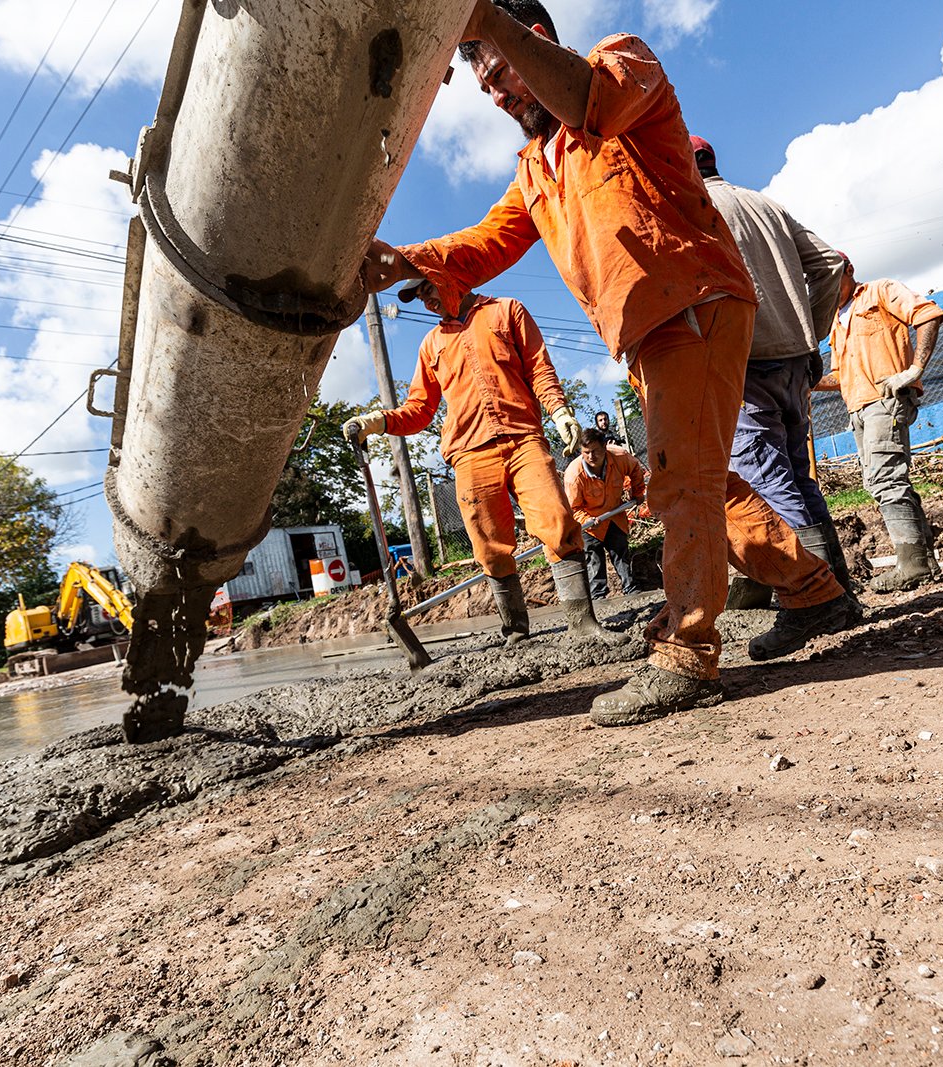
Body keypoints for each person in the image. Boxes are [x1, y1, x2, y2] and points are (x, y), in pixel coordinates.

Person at [360, 0, 855, 727]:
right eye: (486, 88)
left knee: (686, 480)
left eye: (501, 72)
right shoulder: (537, 166)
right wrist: (405, 258)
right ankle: (813, 591)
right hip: (650, 335)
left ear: (535, 39)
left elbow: (595, 100)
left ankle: (686, 653)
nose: (499, 96)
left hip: (694, 303)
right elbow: (487, 243)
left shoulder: (624, 64)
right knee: (699, 480)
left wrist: (485, 21)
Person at [344, 282, 615, 646]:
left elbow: (539, 368)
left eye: (428, 290)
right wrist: (377, 421)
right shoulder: (431, 346)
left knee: (557, 519)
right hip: (470, 453)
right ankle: (516, 631)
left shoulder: (506, 310)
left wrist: (560, 411)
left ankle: (583, 624)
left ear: (452, 276)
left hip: (523, 438)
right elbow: (420, 410)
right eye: (419, 298)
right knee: (488, 545)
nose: (426, 301)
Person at [691, 135, 855, 596]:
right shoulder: (766, 205)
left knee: (766, 483)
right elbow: (830, 264)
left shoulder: (694, 210)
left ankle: (816, 599)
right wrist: (811, 331)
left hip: (745, 365)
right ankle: (836, 586)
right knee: (799, 478)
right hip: (795, 362)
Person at [816, 255, 943, 591]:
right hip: (858, 407)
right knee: (885, 480)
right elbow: (839, 375)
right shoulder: (835, 322)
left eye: (829, 278)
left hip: (884, 401)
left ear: (848, 271)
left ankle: (912, 565)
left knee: (884, 479)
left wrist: (914, 369)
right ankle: (923, 560)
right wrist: (805, 381)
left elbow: (928, 315)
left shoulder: (880, 292)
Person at [563, 426, 646, 599]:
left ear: (604, 447)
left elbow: (636, 470)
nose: (591, 457)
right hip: (590, 523)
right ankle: (599, 597)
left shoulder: (620, 457)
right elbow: (573, 508)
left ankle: (631, 590)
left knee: (620, 551)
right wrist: (588, 519)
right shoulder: (574, 475)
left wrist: (637, 492)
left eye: (595, 451)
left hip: (614, 514)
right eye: (586, 452)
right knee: (594, 559)